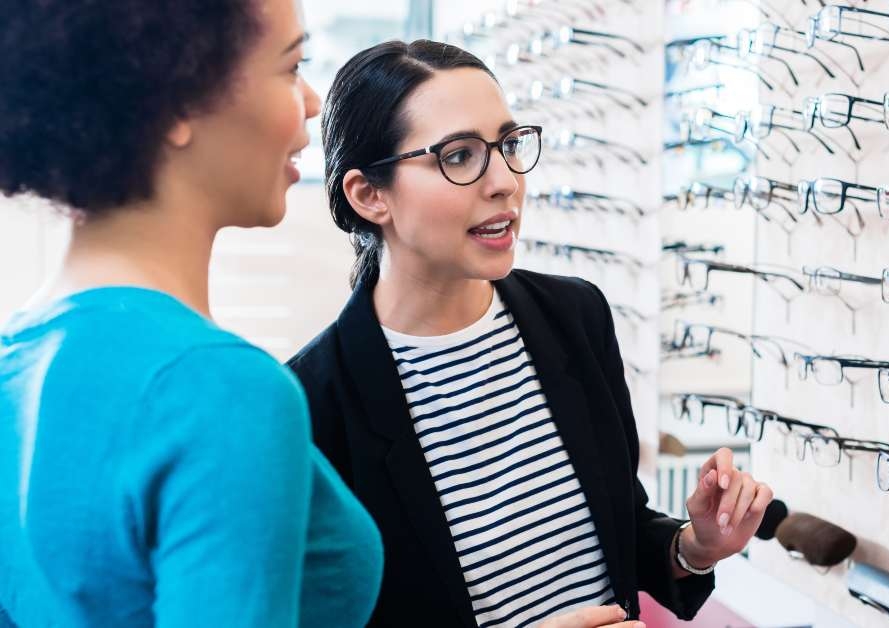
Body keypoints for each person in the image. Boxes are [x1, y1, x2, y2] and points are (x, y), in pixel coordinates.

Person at [288, 39, 773, 628]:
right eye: (459, 156)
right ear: (370, 195)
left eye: (508, 145)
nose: (504, 182)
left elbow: (621, 528)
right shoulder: (310, 407)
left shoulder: (575, 316)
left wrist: (694, 548)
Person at [0, 2, 383, 626]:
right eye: (292, 67)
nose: (313, 102)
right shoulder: (220, 391)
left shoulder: (17, 357)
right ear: (178, 98)